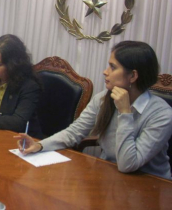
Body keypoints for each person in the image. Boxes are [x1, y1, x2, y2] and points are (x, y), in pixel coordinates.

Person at [15, 41, 172, 179]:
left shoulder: (162, 114)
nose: (105, 71)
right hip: (110, 175)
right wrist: (40, 145)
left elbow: (127, 164)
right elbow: (74, 132)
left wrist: (125, 113)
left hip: (151, 185)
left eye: (113, 67)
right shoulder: (104, 98)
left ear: (133, 76)